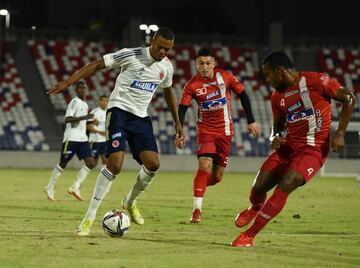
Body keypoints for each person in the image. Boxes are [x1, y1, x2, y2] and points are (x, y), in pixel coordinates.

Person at [47, 27, 184, 236]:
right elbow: (96, 65)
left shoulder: (166, 67)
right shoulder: (132, 54)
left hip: (140, 117)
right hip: (118, 111)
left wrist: (177, 122)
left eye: (168, 49)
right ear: (152, 41)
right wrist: (67, 82)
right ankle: (89, 217)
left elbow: (168, 90)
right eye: (160, 47)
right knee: (115, 165)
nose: (164, 52)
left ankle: (129, 202)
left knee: (154, 164)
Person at [231, 51, 356, 247]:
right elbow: (277, 127)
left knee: (287, 183)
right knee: (258, 188)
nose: (267, 79)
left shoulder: (317, 80)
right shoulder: (276, 97)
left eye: (268, 74)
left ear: (280, 71)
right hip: (288, 148)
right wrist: (274, 137)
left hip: (313, 150)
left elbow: (349, 98)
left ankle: (250, 235)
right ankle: (255, 207)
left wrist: (340, 132)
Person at [177, 48, 261, 223]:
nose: (205, 67)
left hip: (225, 132)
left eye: (208, 63)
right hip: (205, 132)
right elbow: (182, 109)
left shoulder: (226, 76)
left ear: (213, 63)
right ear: (196, 64)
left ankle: (198, 186)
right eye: (201, 63)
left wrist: (251, 120)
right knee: (204, 165)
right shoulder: (192, 85)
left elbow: (244, 95)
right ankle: (197, 211)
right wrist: (179, 131)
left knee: (216, 177)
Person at [44, 81, 96, 201]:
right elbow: (67, 119)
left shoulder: (84, 104)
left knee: (91, 163)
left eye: (84, 88)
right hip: (71, 138)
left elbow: (81, 121)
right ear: (76, 90)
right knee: (62, 164)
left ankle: (75, 187)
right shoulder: (74, 102)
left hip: (82, 139)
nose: (82, 90)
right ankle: (49, 187)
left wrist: (90, 122)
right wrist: (85, 117)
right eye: (80, 88)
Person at [87, 95, 109, 170]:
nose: (104, 102)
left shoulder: (109, 113)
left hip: (104, 140)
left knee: (105, 160)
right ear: (99, 102)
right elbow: (88, 126)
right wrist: (100, 132)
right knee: (92, 163)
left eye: (106, 101)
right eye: (102, 100)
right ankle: (78, 181)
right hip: (95, 140)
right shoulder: (94, 112)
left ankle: (102, 180)